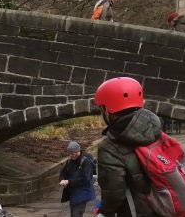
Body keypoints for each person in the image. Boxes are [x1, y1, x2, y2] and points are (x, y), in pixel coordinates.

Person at [93, 77, 162, 217]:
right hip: (163, 206)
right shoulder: (155, 130)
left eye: (101, 109)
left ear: (107, 110)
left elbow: (113, 193)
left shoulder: (109, 147)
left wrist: (104, 212)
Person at [59, 141, 96, 217]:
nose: (71, 155)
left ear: (78, 151)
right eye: (69, 154)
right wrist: (62, 179)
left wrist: (69, 182)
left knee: (76, 213)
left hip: (83, 192)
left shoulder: (86, 161)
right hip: (73, 193)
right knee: (73, 213)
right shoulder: (70, 161)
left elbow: (85, 179)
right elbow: (63, 172)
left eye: (72, 154)